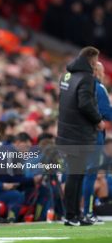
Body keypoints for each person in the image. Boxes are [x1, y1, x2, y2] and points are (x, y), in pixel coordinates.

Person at [57, 46, 105, 226]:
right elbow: (85, 104)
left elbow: (64, 102)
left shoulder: (67, 75)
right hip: (79, 134)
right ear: (91, 60)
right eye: (95, 61)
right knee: (76, 175)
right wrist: (98, 120)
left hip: (65, 132)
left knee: (74, 174)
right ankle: (71, 215)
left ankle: (75, 214)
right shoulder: (87, 78)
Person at [82, 61, 112, 223]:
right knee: (91, 175)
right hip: (94, 135)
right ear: (96, 72)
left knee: (83, 175)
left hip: (81, 135)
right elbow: (107, 113)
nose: (104, 74)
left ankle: (79, 211)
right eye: (101, 71)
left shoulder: (80, 86)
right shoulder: (98, 88)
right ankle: (87, 211)